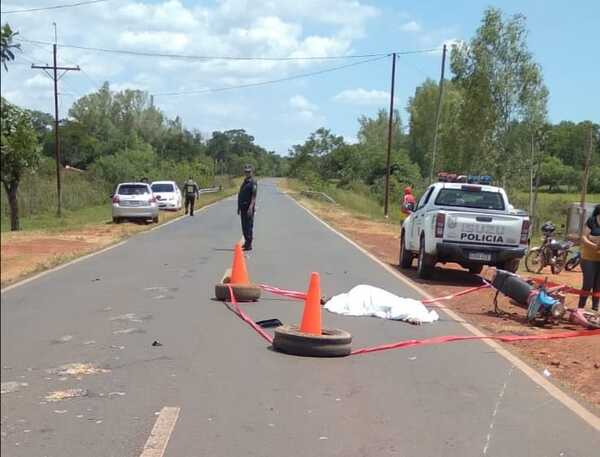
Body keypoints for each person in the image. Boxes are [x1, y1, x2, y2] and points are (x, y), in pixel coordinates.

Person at [579, 204, 600, 311]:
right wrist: (593, 244)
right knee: (588, 283)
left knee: (598, 286)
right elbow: (583, 236)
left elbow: (591, 236)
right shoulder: (592, 221)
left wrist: (593, 237)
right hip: (588, 257)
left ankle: (595, 308)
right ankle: (580, 308)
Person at [237, 164, 257, 251]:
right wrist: (238, 207)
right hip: (242, 207)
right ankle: (246, 243)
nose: (247, 173)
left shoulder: (253, 182)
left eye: (249, 172)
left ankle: (249, 244)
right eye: (246, 172)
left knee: (248, 226)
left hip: (248, 207)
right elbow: (240, 195)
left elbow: (253, 196)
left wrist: (251, 207)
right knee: (244, 226)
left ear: (251, 172)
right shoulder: (244, 181)